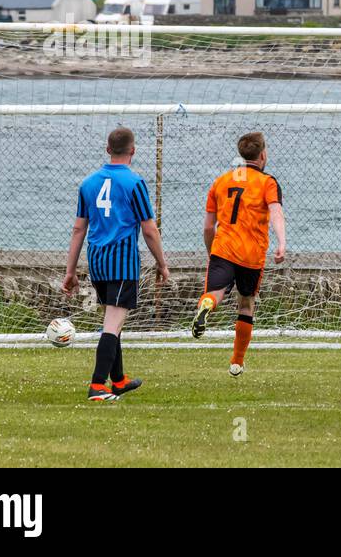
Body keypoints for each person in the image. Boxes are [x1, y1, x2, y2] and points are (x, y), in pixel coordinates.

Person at [62, 127, 169, 401]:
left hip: (96, 262)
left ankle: (118, 380)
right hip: (122, 263)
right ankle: (98, 385)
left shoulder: (88, 184)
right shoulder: (134, 184)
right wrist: (162, 263)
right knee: (112, 323)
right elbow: (149, 230)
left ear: (108, 149)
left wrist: (70, 271)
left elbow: (78, 230)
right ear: (133, 150)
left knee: (113, 318)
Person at [192, 132, 287, 378]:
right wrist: (282, 242)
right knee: (246, 304)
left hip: (222, 249)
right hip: (251, 255)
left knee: (215, 293)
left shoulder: (220, 181)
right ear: (263, 155)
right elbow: (276, 212)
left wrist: (211, 253)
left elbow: (207, 227)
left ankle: (206, 305)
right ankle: (236, 362)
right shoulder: (268, 183)